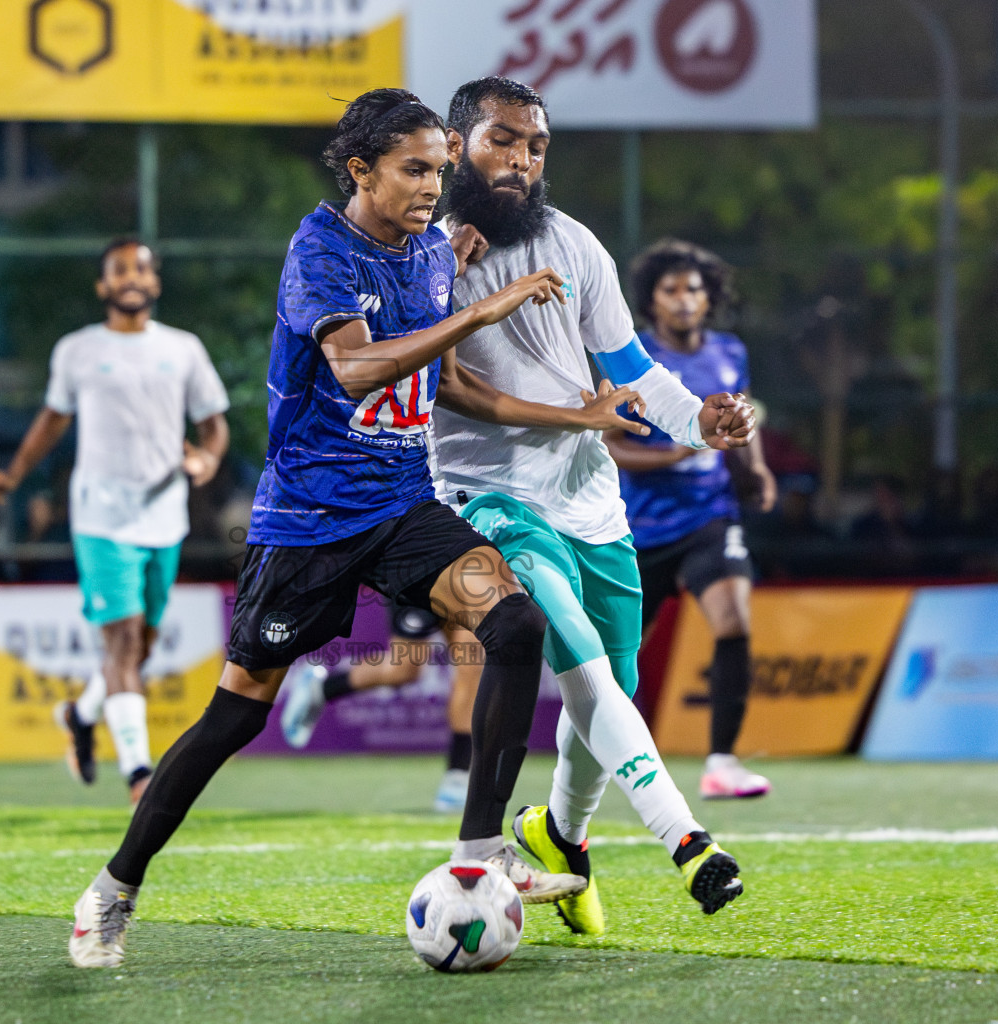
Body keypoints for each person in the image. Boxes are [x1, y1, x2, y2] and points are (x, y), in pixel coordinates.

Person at [66, 88, 641, 969]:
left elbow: (453, 386)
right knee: (234, 715)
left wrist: (580, 417)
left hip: (404, 505)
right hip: (309, 521)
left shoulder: (431, 255)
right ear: (360, 168)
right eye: (413, 170)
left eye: (439, 171)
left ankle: (482, 853)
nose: (430, 187)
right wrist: (478, 310)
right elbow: (357, 367)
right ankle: (114, 887)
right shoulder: (321, 249)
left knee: (514, 624)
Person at [432, 78, 755, 935]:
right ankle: (687, 840)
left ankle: (562, 839)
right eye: (503, 141)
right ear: (459, 141)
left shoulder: (572, 244)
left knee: (614, 680)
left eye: (535, 147)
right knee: (576, 655)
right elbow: (444, 385)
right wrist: (441, 279)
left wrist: (700, 423)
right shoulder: (426, 252)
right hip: (488, 494)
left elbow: (634, 370)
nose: (521, 161)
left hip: (590, 498)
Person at [0, 238, 230, 804]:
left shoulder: (183, 349)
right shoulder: (77, 350)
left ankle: (81, 714)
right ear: (103, 286)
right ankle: (140, 774)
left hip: (164, 513)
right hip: (100, 515)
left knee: (139, 645)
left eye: (141, 268)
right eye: (120, 270)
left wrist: (207, 459)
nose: (131, 277)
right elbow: (52, 420)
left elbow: (213, 424)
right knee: (119, 640)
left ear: (155, 282)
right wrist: (13, 476)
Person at [608, 239, 777, 801]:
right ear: (651, 301)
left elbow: (740, 420)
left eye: (695, 290)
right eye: (672, 290)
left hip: (710, 515)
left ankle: (722, 764)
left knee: (733, 621)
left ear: (709, 300)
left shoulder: (730, 352)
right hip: (641, 526)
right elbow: (609, 446)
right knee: (617, 659)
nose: (685, 300)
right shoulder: (631, 358)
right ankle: (600, 763)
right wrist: (675, 453)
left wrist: (755, 469)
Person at [278, 600, 483, 812]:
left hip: (463, 576)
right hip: (418, 574)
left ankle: (458, 775)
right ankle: (322, 689)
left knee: (472, 665)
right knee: (404, 669)